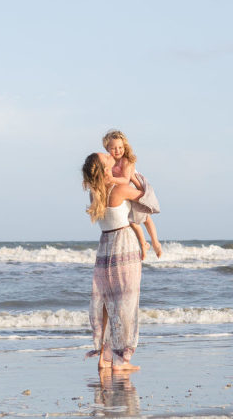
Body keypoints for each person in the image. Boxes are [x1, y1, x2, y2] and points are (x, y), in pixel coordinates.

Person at [82, 152, 145, 372]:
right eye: (106, 156)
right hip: (124, 244)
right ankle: (121, 360)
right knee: (125, 302)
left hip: (105, 246)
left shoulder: (95, 193)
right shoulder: (119, 189)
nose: (111, 155)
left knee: (107, 303)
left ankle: (103, 356)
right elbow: (147, 199)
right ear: (104, 166)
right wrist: (135, 175)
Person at [102, 129, 162, 258]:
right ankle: (144, 244)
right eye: (113, 148)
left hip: (134, 187)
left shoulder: (126, 161)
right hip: (123, 192)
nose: (117, 150)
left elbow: (125, 179)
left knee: (145, 218)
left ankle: (156, 242)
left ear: (125, 147)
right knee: (131, 221)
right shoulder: (109, 161)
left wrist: (111, 179)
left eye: (120, 147)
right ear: (107, 148)